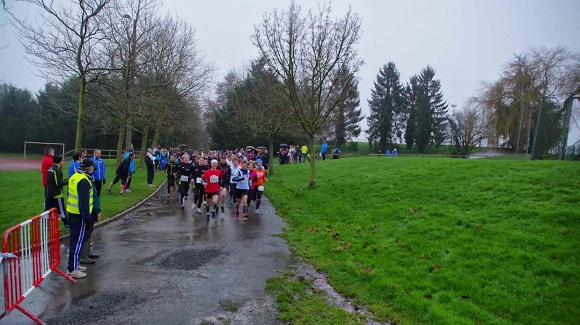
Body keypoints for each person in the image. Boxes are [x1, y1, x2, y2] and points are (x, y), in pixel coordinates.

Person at [66, 158, 95, 279]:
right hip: (79, 215)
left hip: (71, 212)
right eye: (93, 167)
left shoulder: (74, 176)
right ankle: (72, 269)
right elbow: (83, 201)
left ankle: (75, 264)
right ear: (89, 168)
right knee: (77, 242)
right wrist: (87, 217)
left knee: (74, 240)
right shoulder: (84, 181)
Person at [44, 155, 68, 228]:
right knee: (61, 210)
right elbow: (58, 183)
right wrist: (67, 182)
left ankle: (45, 226)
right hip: (57, 195)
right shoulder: (57, 170)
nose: (63, 162)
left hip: (48, 194)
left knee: (47, 211)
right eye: (62, 160)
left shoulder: (50, 169)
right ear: (59, 161)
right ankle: (67, 224)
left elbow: (50, 181)